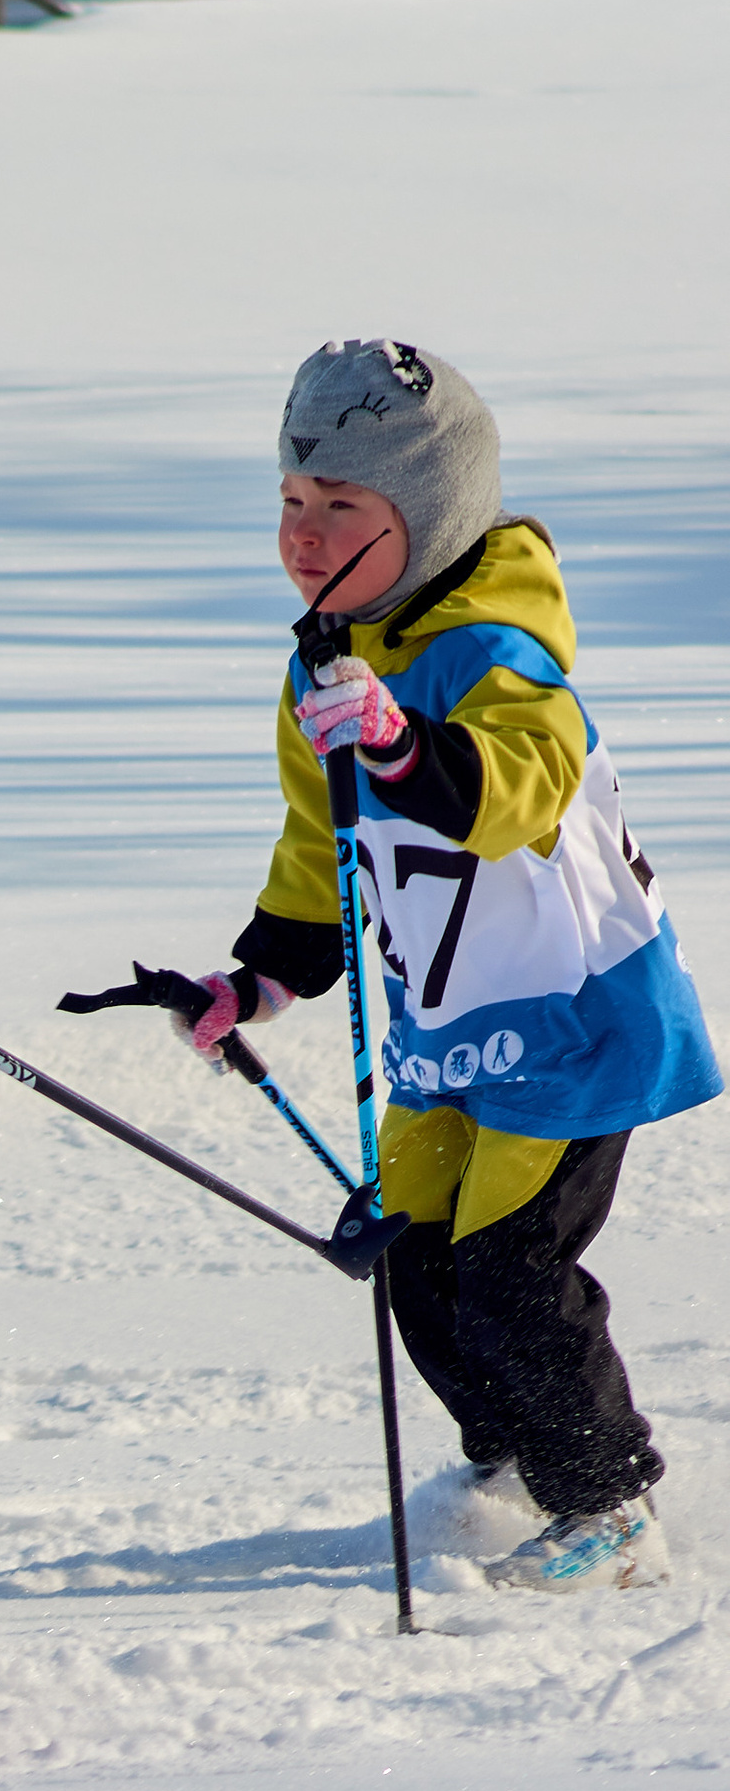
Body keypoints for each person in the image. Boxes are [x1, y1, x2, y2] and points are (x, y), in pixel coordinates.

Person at [174, 336, 716, 1593]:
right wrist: (257, 980)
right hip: (446, 1020)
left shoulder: (496, 651)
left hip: (574, 1021)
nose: (303, 536)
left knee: (509, 1270)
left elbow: (521, 786)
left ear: (426, 513)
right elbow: (324, 844)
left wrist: (403, 741)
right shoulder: (325, 657)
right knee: (413, 1259)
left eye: (341, 507)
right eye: (291, 503)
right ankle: (521, 1468)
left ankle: (609, 1505)